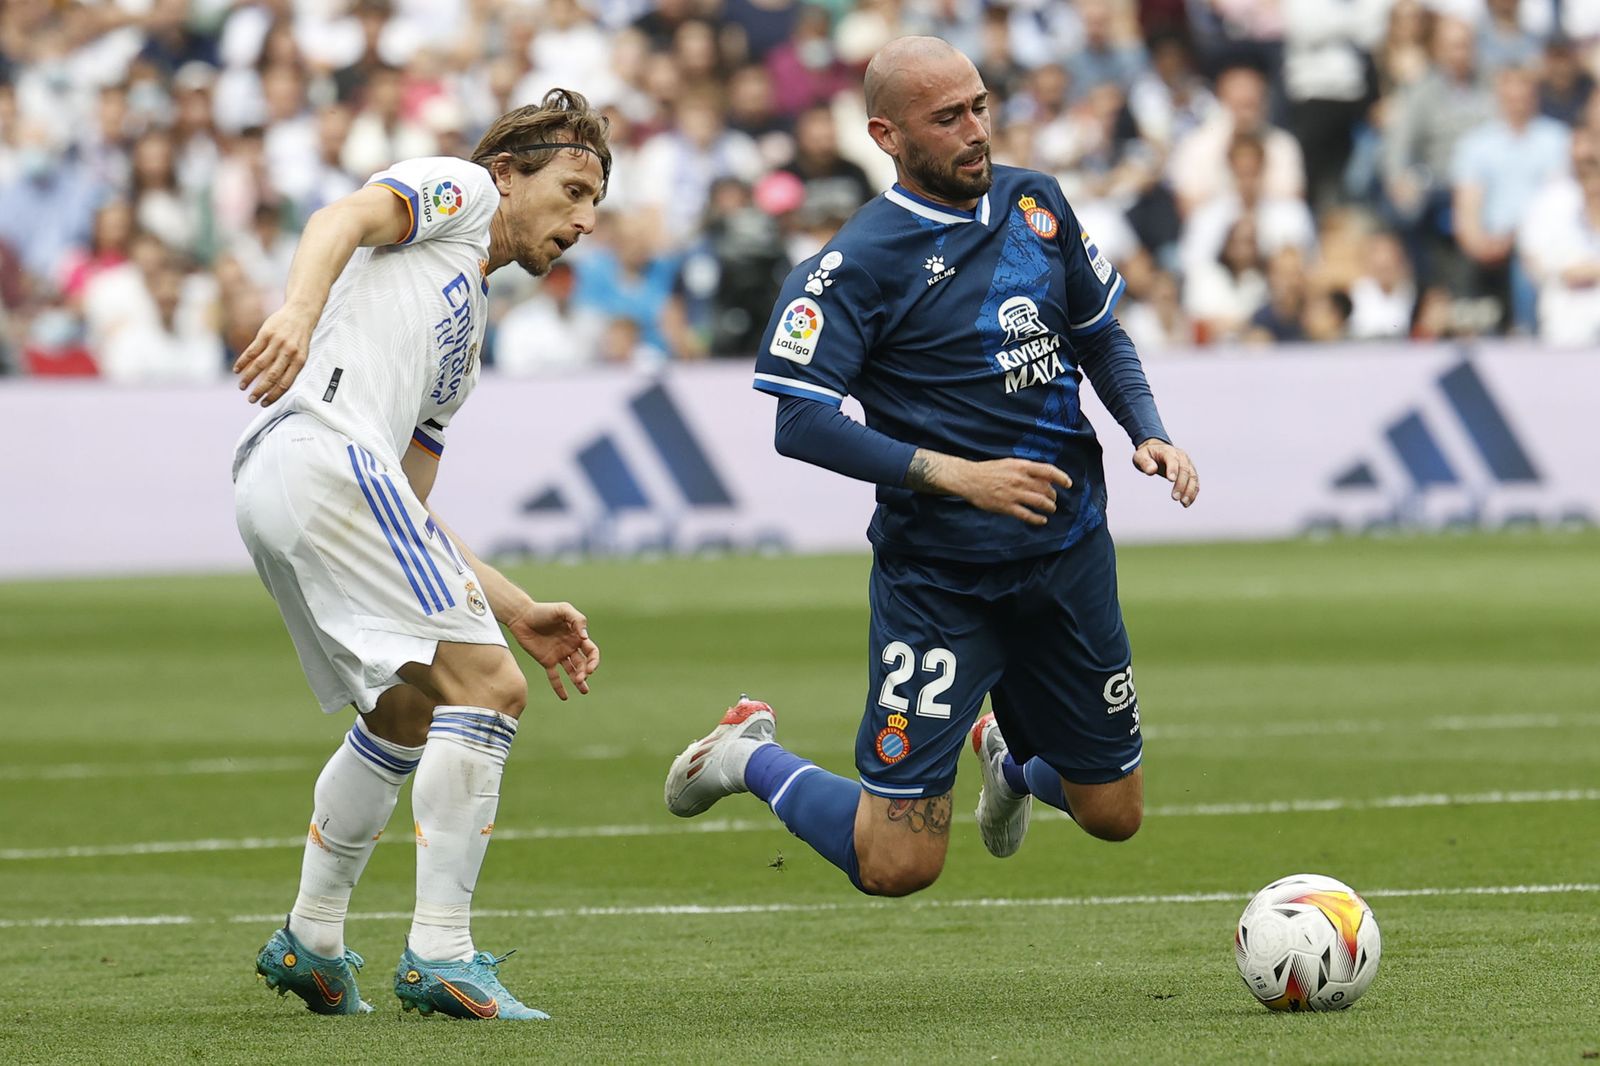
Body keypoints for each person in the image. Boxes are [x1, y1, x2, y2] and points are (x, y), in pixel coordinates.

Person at [662, 38, 1197, 898]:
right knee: (898, 864)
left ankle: (1011, 763)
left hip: (1067, 556)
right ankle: (746, 756)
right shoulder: (857, 264)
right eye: (947, 118)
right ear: (887, 135)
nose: (975, 130)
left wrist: (1148, 428)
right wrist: (956, 475)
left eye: (980, 106)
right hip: (941, 582)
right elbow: (799, 420)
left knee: (1115, 813)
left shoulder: (1037, 204)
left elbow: (1098, 331)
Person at [230, 89, 607, 1019]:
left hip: (294, 478)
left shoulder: (464, 341)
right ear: (509, 175)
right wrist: (296, 313)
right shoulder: (461, 191)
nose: (585, 221)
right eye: (572, 189)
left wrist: (516, 609)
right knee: (491, 690)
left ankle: (312, 941)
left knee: (407, 703)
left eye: (595, 203)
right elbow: (342, 217)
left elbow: (413, 503)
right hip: (321, 450)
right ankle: (442, 953)